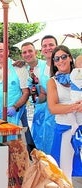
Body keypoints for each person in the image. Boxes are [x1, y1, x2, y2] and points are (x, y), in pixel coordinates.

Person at [47, 45, 82, 181]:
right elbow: (53, 108)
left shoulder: (80, 75)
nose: (61, 61)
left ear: (70, 58)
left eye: (64, 57)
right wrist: (74, 107)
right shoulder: (52, 82)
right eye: (57, 59)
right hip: (64, 130)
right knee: (63, 172)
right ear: (54, 63)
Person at [0, 43, 30, 142]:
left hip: (14, 115)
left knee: (15, 147)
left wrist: (15, 107)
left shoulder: (18, 68)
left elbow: (26, 92)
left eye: (1, 51)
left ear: (7, 52)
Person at [20, 42, 48, 152]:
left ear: (36, 52)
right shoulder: (23, 68)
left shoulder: (45, 65)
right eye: (24, 52)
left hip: (47, 106)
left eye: (30, 51)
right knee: (36, 139)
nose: (27, 54)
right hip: (34, 108)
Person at [39, 35, 58, 154]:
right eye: (44, 46)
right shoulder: (39, 67)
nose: (48, 48)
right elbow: (42, 94)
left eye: (51, 45)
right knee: (47, 149)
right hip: (47, 114)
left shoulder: (63, 64)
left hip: (64, 113)